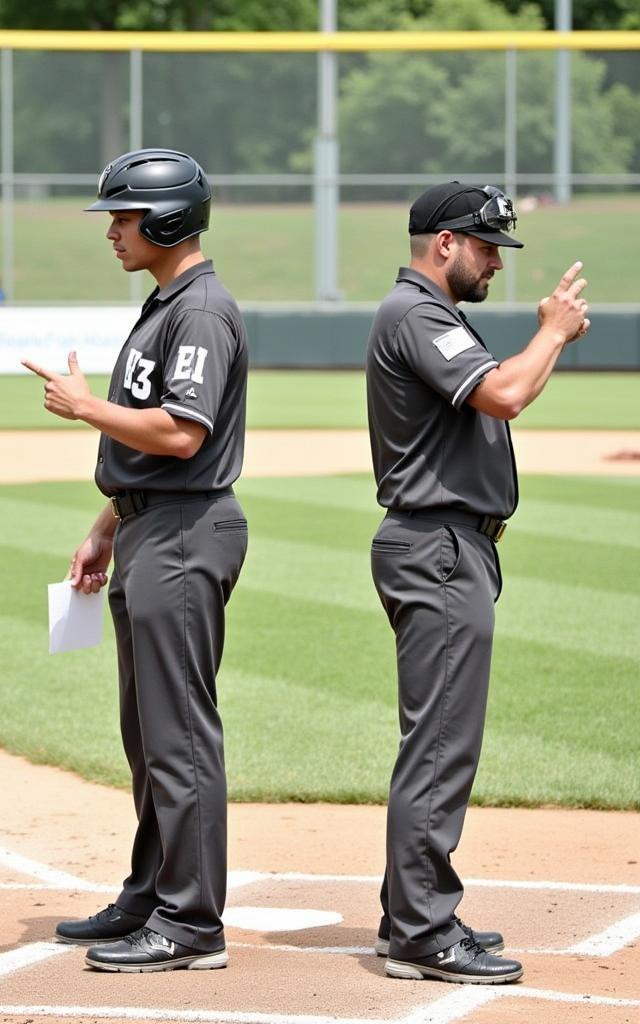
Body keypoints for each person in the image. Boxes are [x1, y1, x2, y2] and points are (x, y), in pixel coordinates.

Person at [23, 148, 248, 973]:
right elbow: (154, 455)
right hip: (154, 528)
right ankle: (152, 892)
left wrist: (88, 408)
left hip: (189, 535)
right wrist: (109, 522)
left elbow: (183, 434)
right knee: (149, 732)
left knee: (179, 734)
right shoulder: (167, 305)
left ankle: (192, 926)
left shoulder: (200, 312)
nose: (111, 230)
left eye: (123, 216)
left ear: (167, 221)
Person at [366, 182, 589, 984]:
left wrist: (544, 337)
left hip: (447, 547)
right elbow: (506, 392)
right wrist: (553, 335)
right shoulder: (416, 314)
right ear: (444, 244)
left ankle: (412, 915)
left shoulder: (435, 315)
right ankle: (423, 933)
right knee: (439, 746)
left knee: (437, 740)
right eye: (486, 243)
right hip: (438, 547)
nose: (496, 258)